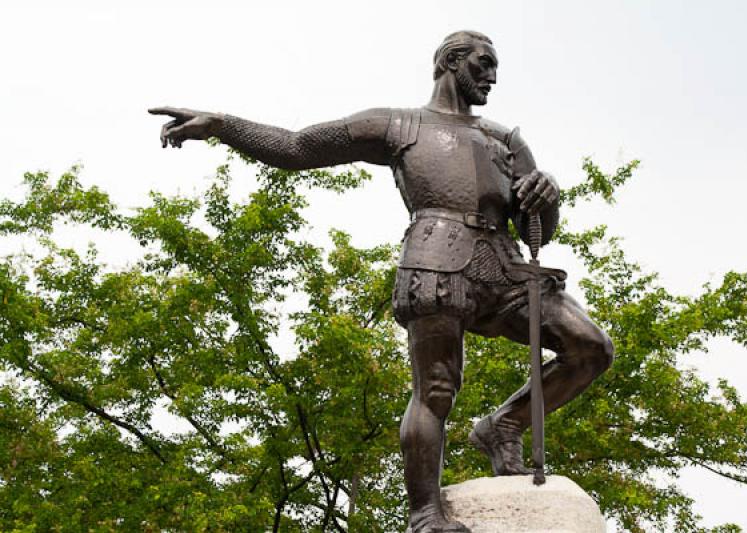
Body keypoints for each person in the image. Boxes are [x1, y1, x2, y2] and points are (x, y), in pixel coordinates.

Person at [150, 30, 614, 533]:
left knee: (589, 347)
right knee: (436, 388)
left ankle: (504, 425)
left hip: (504, 266)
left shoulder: (505, 139)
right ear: (449, 63)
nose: (492, 76)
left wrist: (548, 196)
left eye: (495, 67)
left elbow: (534, 228)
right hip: (437, 258)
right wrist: (223, 125)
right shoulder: (398, 126)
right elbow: (297, 146)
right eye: (482, 64)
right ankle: (425, 513)